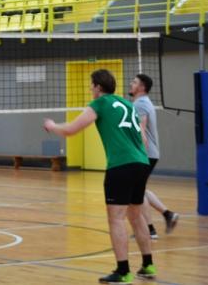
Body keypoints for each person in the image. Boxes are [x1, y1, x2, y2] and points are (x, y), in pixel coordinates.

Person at [44, 69, 155, 283]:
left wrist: (52, 126)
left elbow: (71, 130)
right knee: (136, 216)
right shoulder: (127, 104)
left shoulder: (100, 103)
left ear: (98, 86)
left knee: (116, 219)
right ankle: (148, 265)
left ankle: (123, 271)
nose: (90, 88)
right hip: (141, 162)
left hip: (121, 165)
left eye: (91, 85)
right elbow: (143, 139)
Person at [129, 74, 179, 240]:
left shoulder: (140, 104)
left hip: (145, 153)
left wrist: (139, 154)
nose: (131, 84)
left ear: (142, 87)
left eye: (134, 82)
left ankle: (149, 229)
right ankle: (168, 215)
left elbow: (141, 130)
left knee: (137, 192)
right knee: (140, 189)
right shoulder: (143, 102)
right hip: (150, 153)